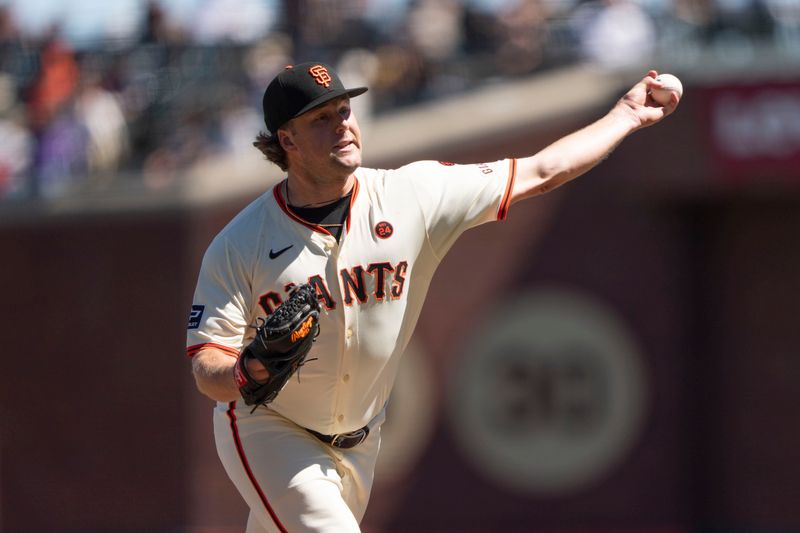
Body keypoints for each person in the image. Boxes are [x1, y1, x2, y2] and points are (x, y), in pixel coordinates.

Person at [186, 61, 679, 532]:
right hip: (268, 429)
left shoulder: (412, 195)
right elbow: (207, 366)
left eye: (344, 111)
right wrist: (243, 372)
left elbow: (542, 170)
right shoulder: (239, 243)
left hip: (360, 440)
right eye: (321, 119)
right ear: (286, 139)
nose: (342, 126)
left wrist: (626, 116)